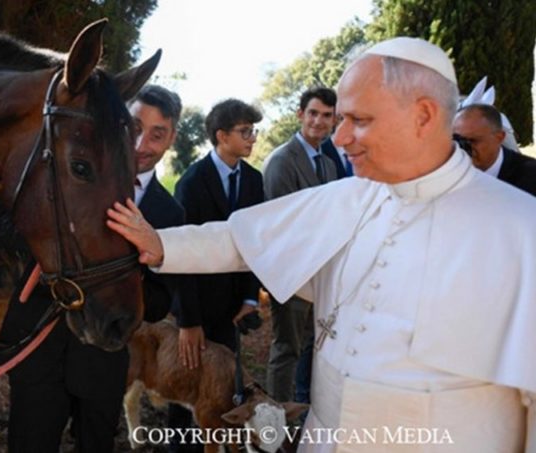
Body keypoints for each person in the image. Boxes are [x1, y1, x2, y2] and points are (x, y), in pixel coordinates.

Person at [108, 37, 536, 452]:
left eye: (359, 120)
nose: (339, 137)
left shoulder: (521, 229)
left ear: (423, 116)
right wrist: (159, 243)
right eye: (340, 120)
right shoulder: (352, 196)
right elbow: (242, 237)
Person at [0, 84, 187, 453]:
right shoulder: (66, 172)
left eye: (157, 134)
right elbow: (6, 233)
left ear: (171, 139)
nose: (141, 144)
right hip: (39, 352)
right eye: (134, 128)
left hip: (102, 362)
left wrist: (133, 261)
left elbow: (161, 302)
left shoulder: (171, 214)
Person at [168, 99, 264, 451]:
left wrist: (250, 298)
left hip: (232, 308)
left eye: (253, 131)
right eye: (245, 131)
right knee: (187, 384)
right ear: (221, 136)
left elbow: (255, 245)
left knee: (222, 384)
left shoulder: (254, 181)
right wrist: (188, 320)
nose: (252, 138)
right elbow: (180, 254)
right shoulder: (192, 182)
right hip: (195, 308)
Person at [261, 87, 338, 406]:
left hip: (321, 274)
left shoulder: (330, 165)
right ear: (300, 115)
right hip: (292, 273)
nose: (319, 122)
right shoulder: (281, 161)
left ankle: (303, 411)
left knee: (312, 345)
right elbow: (280, 226)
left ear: (335, 121)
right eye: (313, 113)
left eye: (327, 116)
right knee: (287, 349)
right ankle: (274, 420)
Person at [453, 103, 536, 196]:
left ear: (499, 138)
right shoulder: (447, 173)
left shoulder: (531, 177)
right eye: (458, 140)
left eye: (473, 141)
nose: (463, 148)